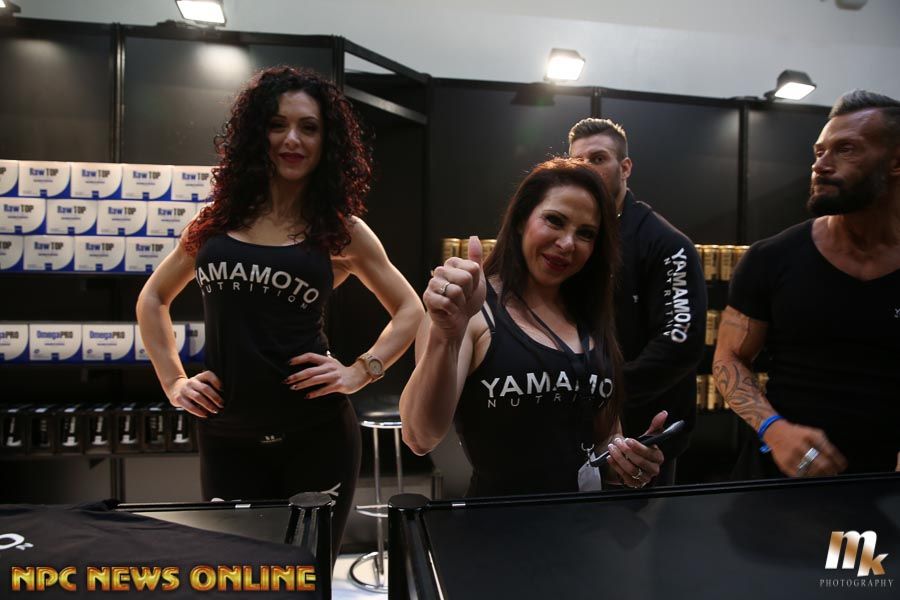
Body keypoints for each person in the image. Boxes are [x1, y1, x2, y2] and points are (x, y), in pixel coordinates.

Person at [136, 66, 424, 558]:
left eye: (308, 127)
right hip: (226, 436)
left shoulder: (340, 230)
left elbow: (409, 309)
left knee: (307, 579)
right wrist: (174, 383)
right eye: (277, 124)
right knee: (241, 578)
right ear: (256, 134)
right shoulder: (215, 223)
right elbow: (152, 298)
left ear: (326, 141)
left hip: (316, 436)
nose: (292, 139)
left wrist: (360, 371)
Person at [400, 157, 667, 496]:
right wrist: (446, 334)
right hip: (502, 524)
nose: (567, 243)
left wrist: (626, 461)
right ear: (520, 221)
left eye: (586, 234)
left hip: (587, 523)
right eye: (554, 220)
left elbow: (601, 439)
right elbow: (420, 436)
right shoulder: (472, 309)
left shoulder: (590, 316)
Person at [713, 90, 900, 480]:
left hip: (877, 490)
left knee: (856, 530)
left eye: (845, 150)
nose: (821, 165)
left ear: (895, 161)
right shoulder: (771, 258)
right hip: (775, 484)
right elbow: (729, 359)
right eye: (819, 152)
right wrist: (773, 429)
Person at [568, 119, 707, 486]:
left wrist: (601, 394)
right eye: (577, 161)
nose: (586, 169)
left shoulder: (666, 244)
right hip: (569, 431)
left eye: (598, 158)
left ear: (625, 167)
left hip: (643, 437)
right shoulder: (570, 240)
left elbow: (679, 344)